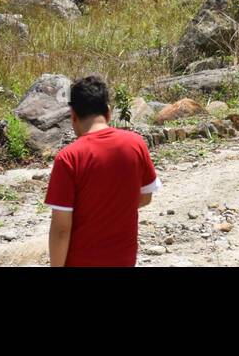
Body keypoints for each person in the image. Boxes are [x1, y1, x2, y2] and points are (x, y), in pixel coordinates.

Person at [44, 75, 160, 267]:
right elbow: (146, 197)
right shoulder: (136, 144)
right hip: (124, 260)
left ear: (73, 115)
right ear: (108, 112)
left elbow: (61, 229)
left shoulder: (68, 158)